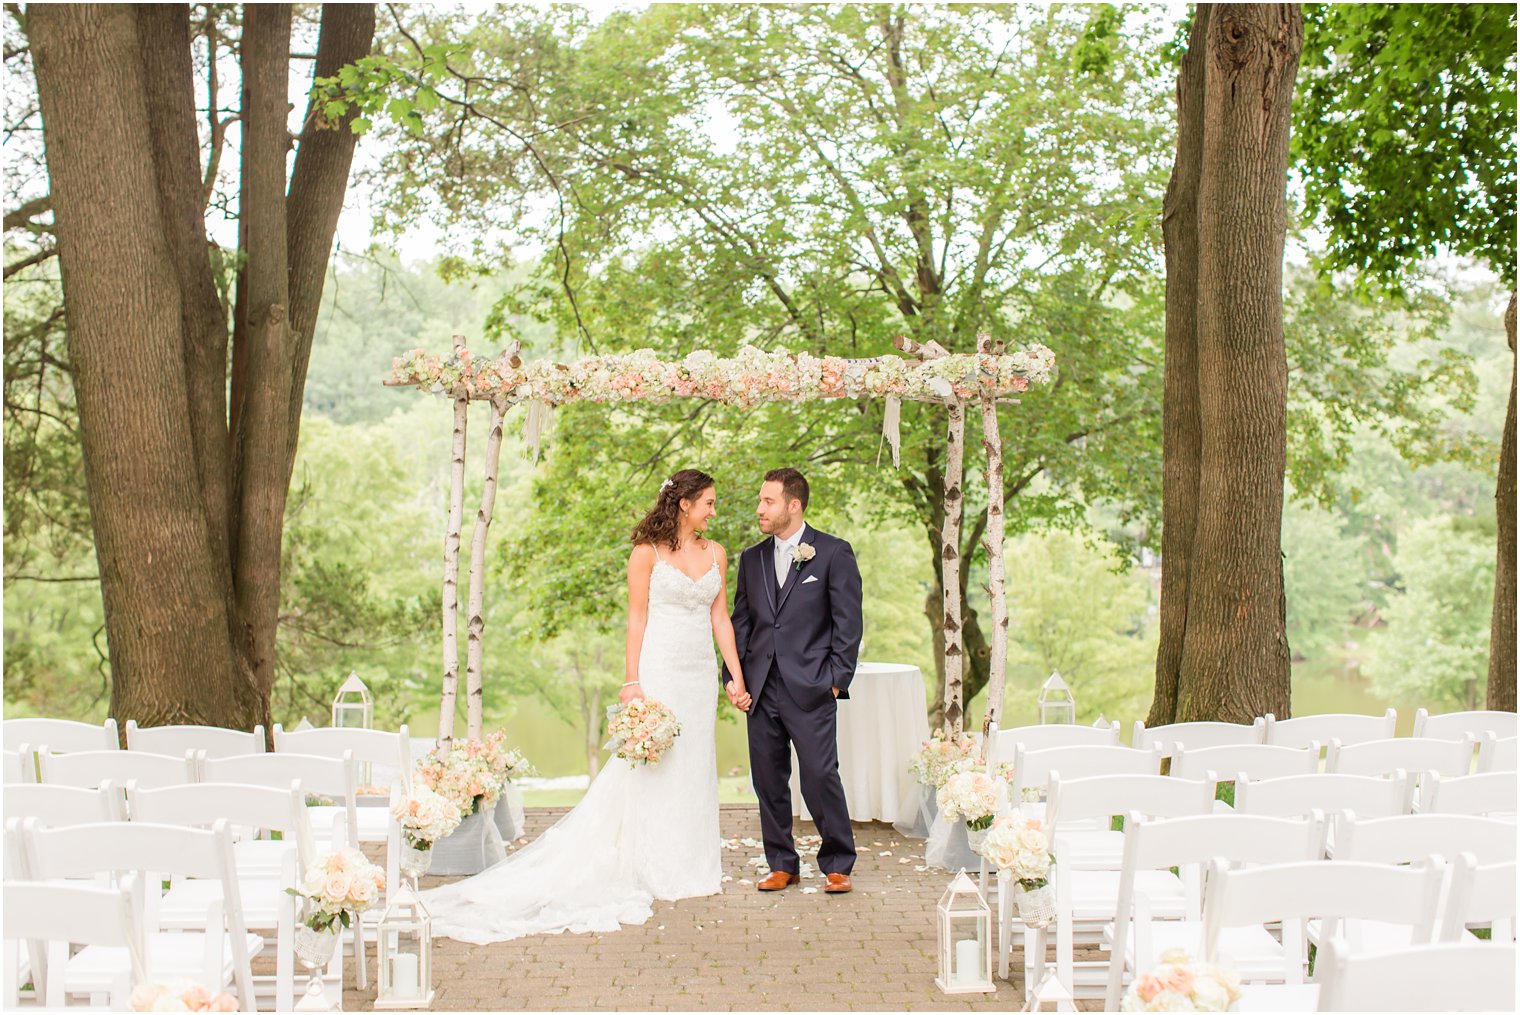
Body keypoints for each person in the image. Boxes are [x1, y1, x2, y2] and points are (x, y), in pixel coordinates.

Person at [423, 468, 742, 943]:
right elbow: (636, 620)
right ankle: (651, 864)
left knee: (694, 765)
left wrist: (734, 674)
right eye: (709, 502)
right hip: (660, 670)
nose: (715, 511)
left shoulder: (716, 553)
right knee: (656, 767)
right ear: (685, 505)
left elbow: (721, 617)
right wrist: (632, 681)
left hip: (698, 675)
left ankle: (692, 866)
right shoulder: (646, 554)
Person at [723, 468, 863, 894]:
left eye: (768, 501)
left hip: (812, 685)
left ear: (794, 505)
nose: (760, 509)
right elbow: (742, 621)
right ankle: (782, 863)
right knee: (767, 779)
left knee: (820, 775)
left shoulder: (834, 553)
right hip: (761, 688)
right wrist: (733, 677)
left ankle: (838, 862)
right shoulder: (752, 558)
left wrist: (836, 680)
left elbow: (848, 622)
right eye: (761, 501)